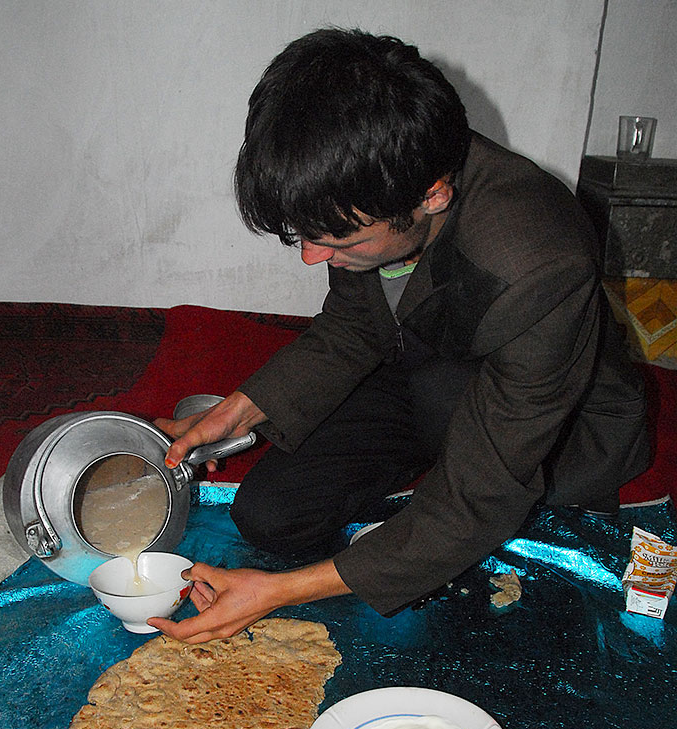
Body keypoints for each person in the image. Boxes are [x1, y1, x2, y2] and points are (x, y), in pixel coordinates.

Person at [147, 28, 649, 643]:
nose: (311, 258)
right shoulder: (369, 178)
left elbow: (476, 496)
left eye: (336, 241)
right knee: (271, 515)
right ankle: (424, 491)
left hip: (556, 420)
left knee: (463, 472)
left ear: (432, 195)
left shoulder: (537, 263)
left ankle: (442, 504)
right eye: (303, 235)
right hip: (423, 360)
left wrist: (280, 591)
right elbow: (355, 324)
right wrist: (235, 412)